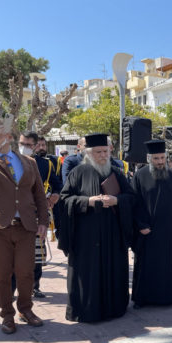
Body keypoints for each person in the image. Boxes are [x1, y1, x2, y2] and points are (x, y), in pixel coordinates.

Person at [0, 119, 49, 334]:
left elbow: (39, 195)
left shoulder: (28, 162)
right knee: (1, 274)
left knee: (26, 272)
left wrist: (43, 221)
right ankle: (7, 314)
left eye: (0, 131)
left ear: (10, 136)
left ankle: (25, 309)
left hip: (25, 226)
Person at [58, 133, 135, 322]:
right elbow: (65, 200)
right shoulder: (78, 172)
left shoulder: (116, 172)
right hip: (86, 236)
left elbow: (132, 198)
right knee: (88, 274)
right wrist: (88, 201)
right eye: (99, 152)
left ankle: (114, 308)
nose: (103, 155)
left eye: (106, 151)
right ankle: (87, 310)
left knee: (113, 270)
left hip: (112, 235)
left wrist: (116, 200)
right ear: (89, 153)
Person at [131, 140, 172, 308]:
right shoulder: (140, 176)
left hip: (170, 231)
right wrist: (141, 224)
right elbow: (134, 202)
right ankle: (143, 299)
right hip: (148, 231)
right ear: (149, 158)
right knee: (147, 265)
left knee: (171, 265)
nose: (160, 161)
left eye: (162, 158)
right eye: (156, 158)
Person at [30, 133, 62, 298]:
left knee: (37, 252)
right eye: (38, 145)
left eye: (43, 145)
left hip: (38, 213)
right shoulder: (15, 161)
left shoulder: (47, 164)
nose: (41, 148)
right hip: (16, 213)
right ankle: (13, 287)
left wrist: (55, 195)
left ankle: (35, 286)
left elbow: (57, 184)